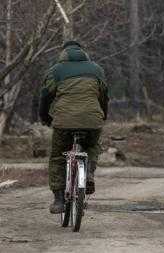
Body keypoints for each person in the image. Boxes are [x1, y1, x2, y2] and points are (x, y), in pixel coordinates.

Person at [39, 41, 109, 214]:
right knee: (92, 146)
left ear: (63, 53)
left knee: (58, 157)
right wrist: (101, 117)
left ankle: (58, 200)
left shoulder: (56, 70)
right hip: (92, 120)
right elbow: (104, 97)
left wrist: (45, 117)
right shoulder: (96, 69)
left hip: (64, 122)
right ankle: (89, 175)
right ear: (83, 52)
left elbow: (45, 97)